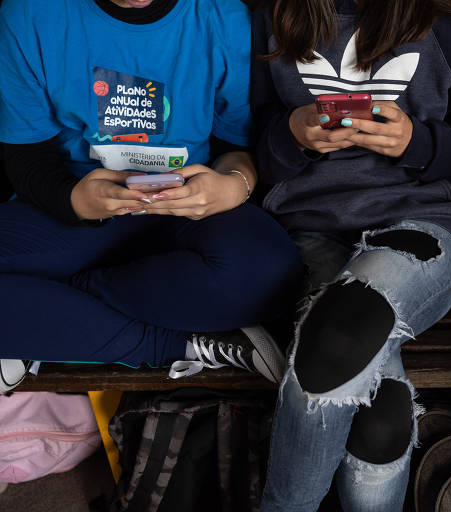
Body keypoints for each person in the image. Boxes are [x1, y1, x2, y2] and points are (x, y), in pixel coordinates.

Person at [248, 0, 451, 509]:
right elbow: (241, 152)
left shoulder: (443, 24)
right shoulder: (270, 17)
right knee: (380, 420)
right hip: (313, 229)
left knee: (340, 336)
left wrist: (417, 142)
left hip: (427, 222)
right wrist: (291, 136)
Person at [0, 0, 303, 391]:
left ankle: (40, 316)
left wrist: (233, 185)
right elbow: (26, 157)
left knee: (269, 274)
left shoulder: (224, 16)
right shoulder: (29, 14)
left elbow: (237, 146)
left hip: (191, 210)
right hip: (74, 210)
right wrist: (73, 198)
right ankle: (178, 344)